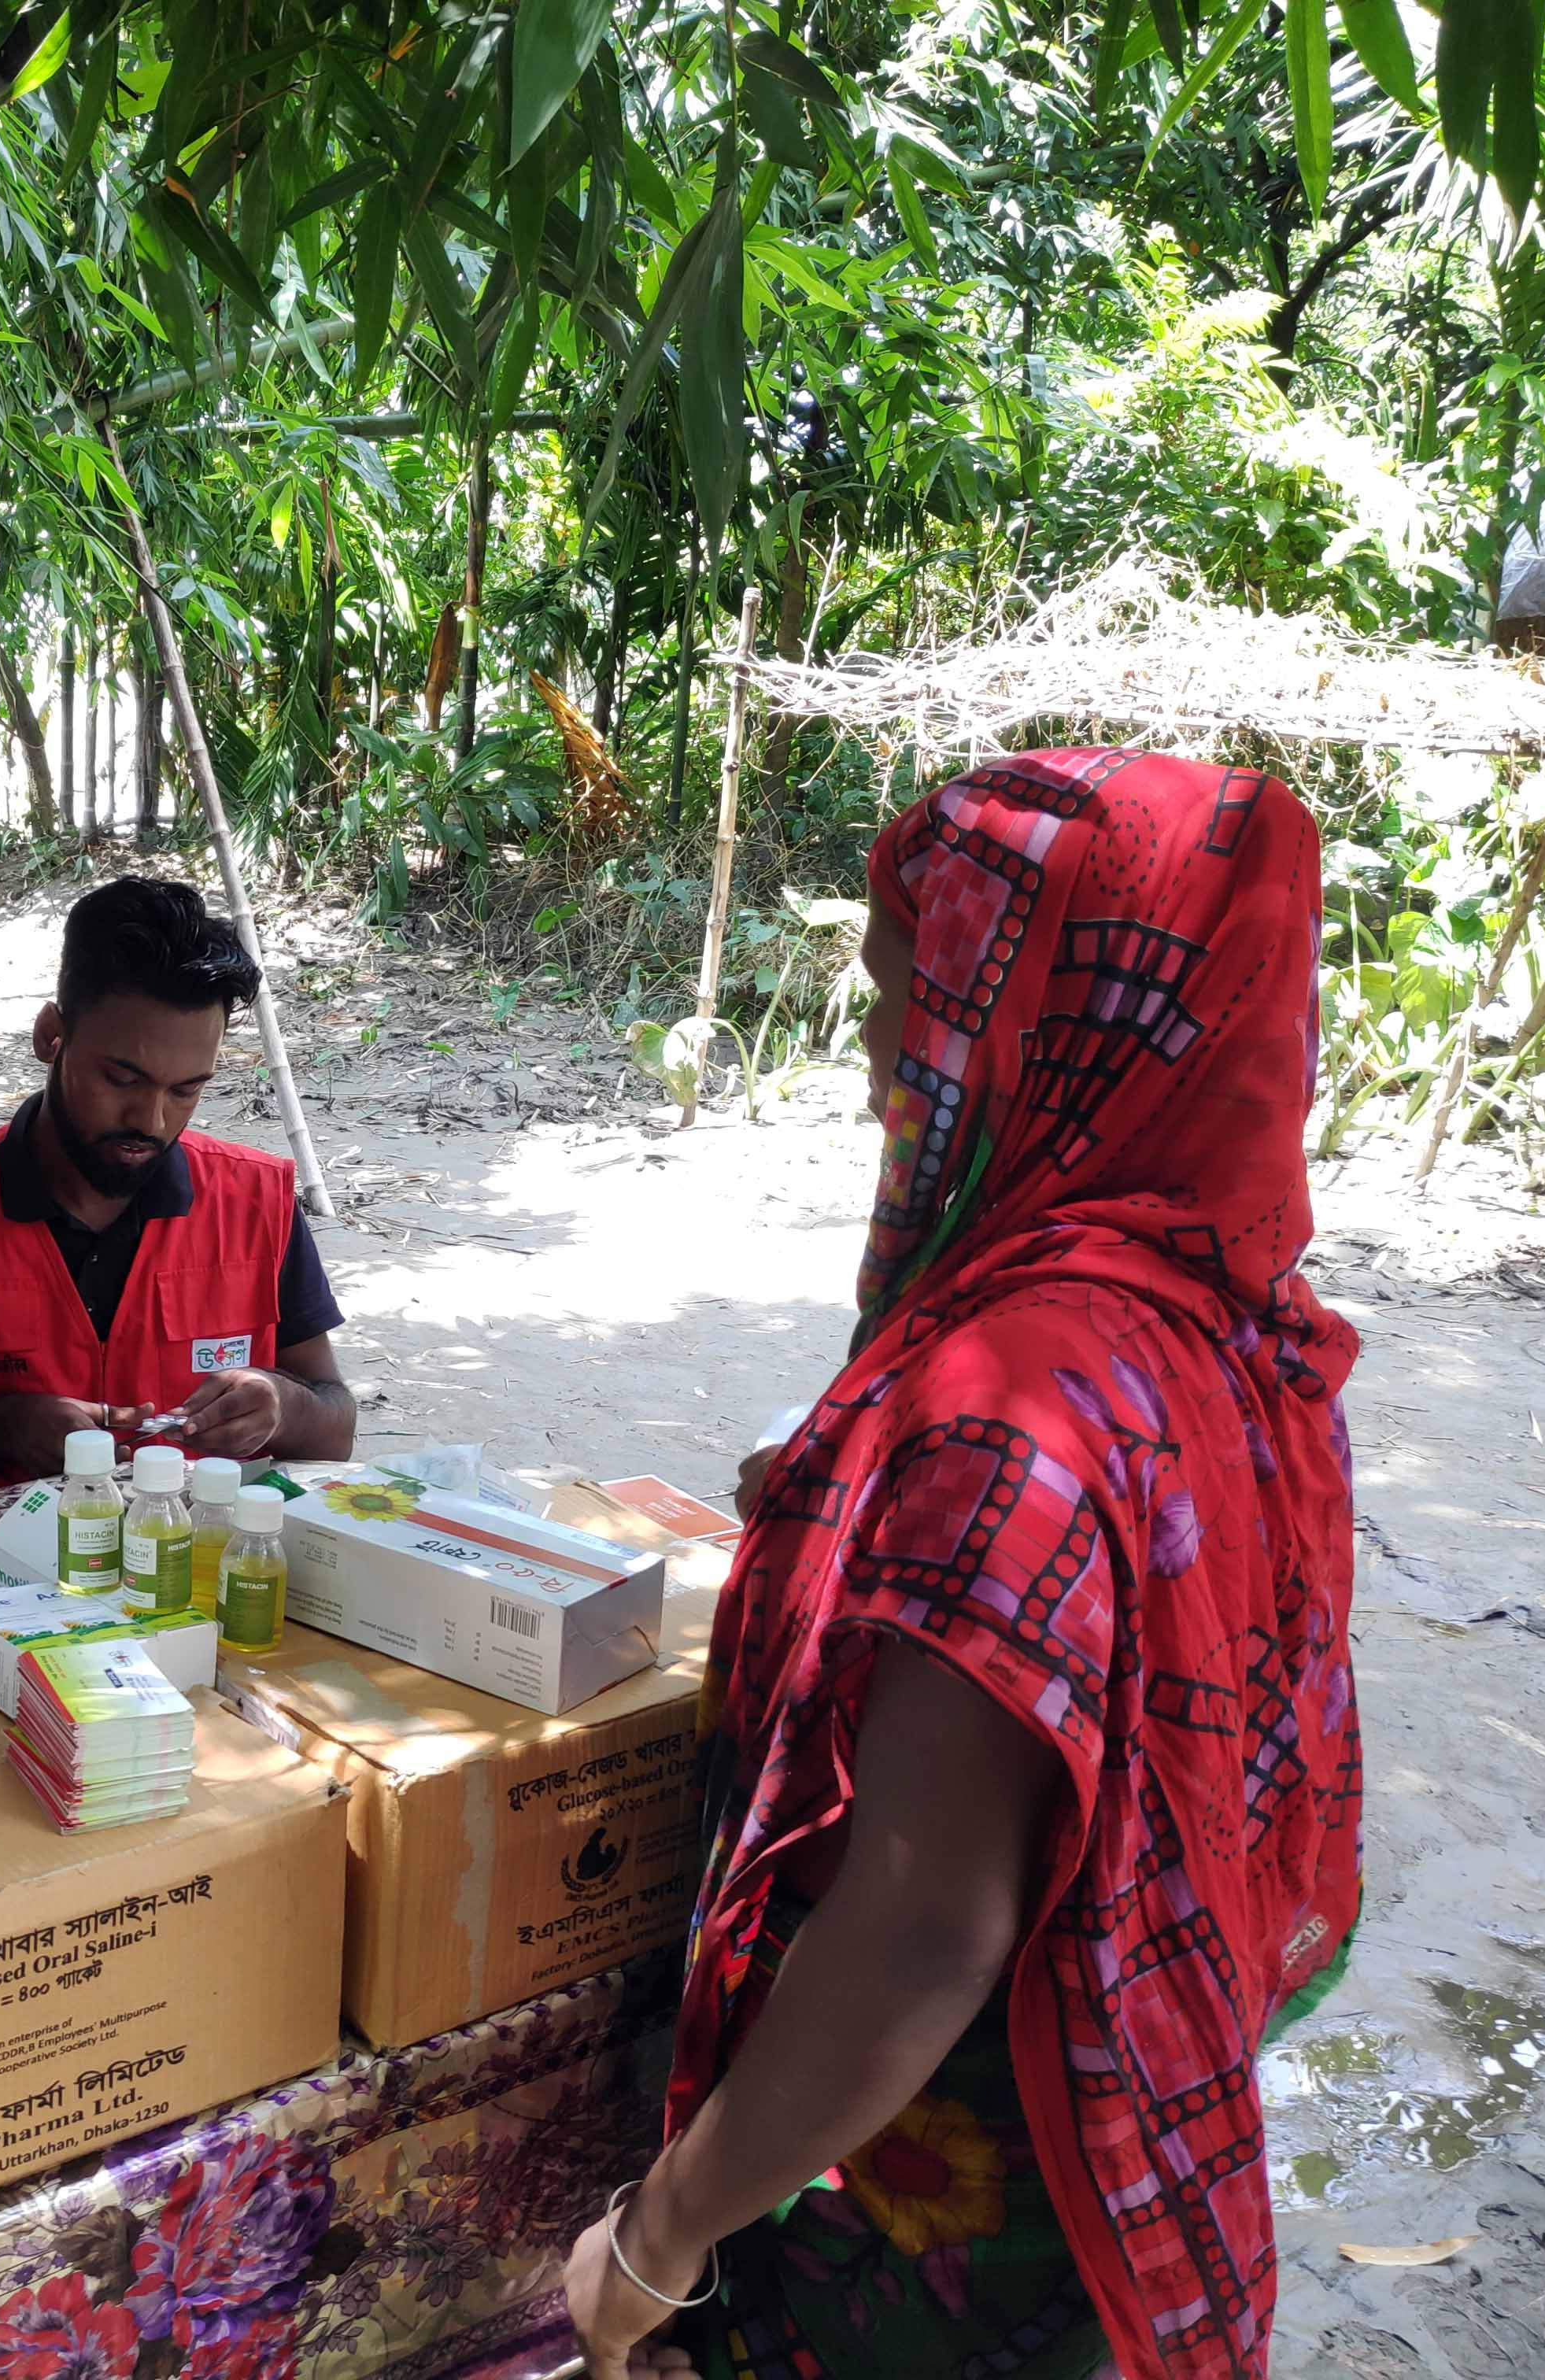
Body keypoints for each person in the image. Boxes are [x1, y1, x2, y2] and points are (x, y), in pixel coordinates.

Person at [564, 751, 1362, 2380]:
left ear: (1043, 1036)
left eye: (906, 996)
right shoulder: (1225, 1339)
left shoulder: (1017, 1419)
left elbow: (922, 1928)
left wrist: (664, 2235)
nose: (872, 1049)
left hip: (936, 2227)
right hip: (1112, 2149)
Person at [0, 876, 354, 1503]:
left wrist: (283, 1407)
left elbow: (335, 1427)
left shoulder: (257, 1202)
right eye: (122, 1077)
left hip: (197, 1557)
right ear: (52, 1036)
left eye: (186, 1089)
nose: (152, 1121)